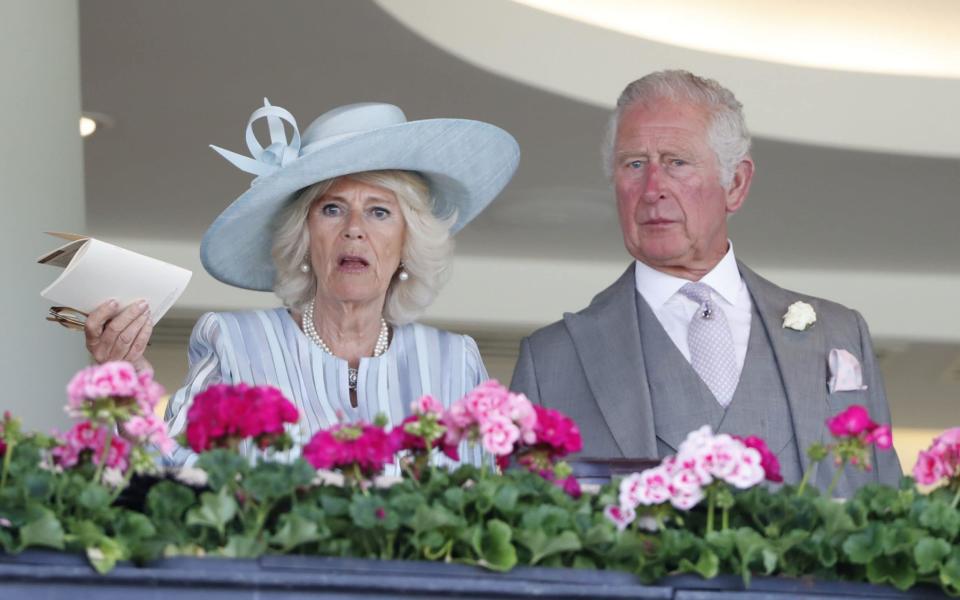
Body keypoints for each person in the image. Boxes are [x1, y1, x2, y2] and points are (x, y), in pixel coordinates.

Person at [510, 70, 901, 497]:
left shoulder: (839, 335)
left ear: (735, 184)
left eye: (677, 162)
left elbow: (885, 507)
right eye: (634, 164)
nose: (652, 188)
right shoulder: (551, 359)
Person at [84, 100, 519, 465]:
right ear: (304, 236)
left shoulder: (454, 361)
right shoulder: (233, 342)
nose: (354, 229)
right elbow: (171, 476)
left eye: (379, 211)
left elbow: (480, 502)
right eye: (332, 208)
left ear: (408, 242)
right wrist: (124, 380)